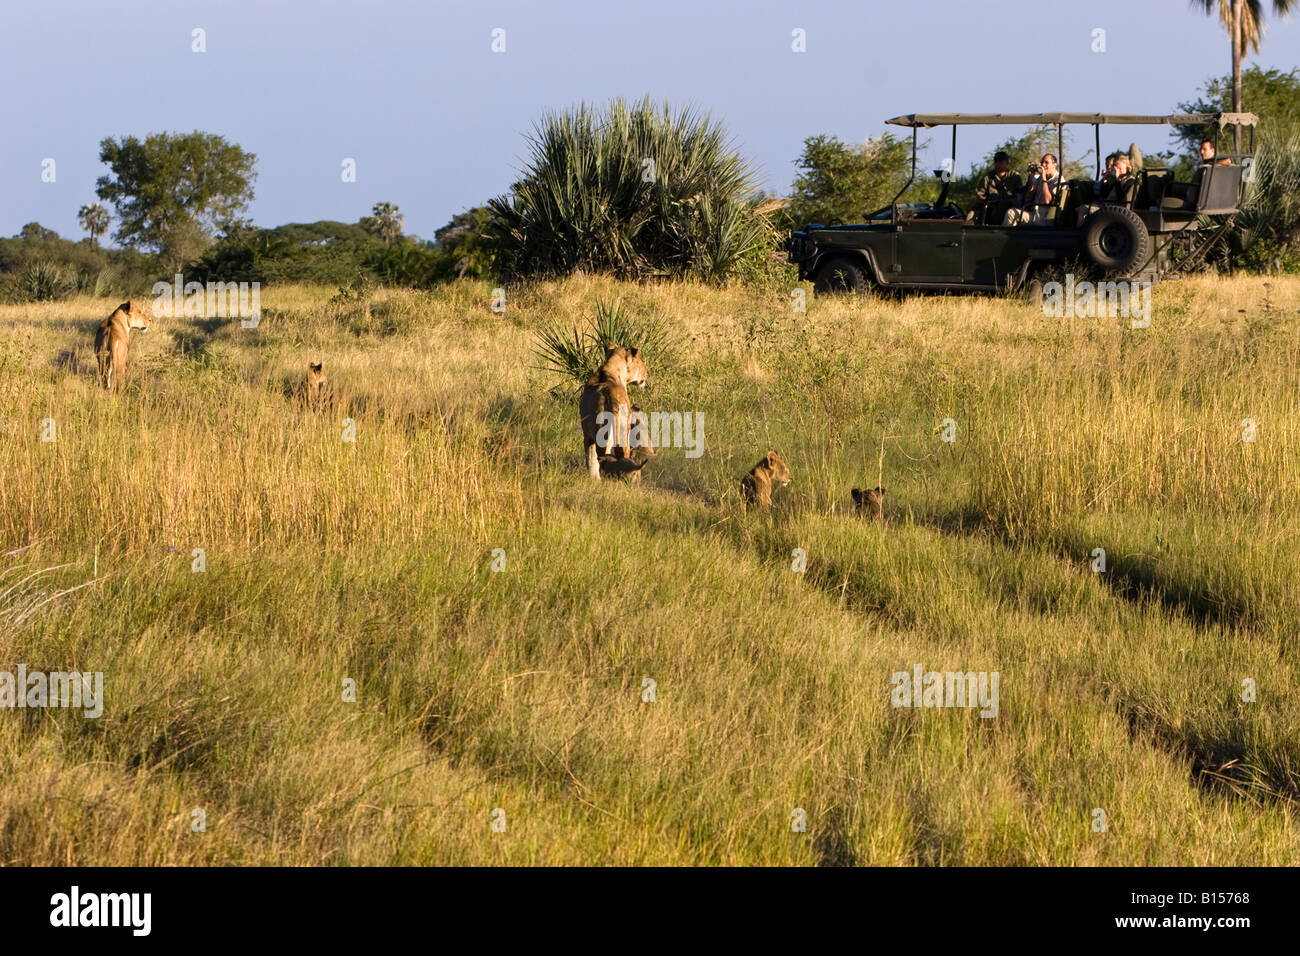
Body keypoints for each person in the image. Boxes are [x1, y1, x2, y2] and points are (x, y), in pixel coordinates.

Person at [1004, 153, 1064, 225]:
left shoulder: (1058, 181)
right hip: (1034, 214)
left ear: (1054, 165)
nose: (1043, 165)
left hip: (1044, 218)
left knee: (1011, 213)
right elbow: (1029, 196)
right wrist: (1031, 177)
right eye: (1042, 162)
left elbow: (1047, 201)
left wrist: (1044, 179)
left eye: (1046, 163)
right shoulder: (1040, 178)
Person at [968, 151, 1023, 222]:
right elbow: (980, 194)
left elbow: (1020, 194)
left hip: (1009, 208)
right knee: (972, 212)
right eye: (996, 161)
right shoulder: (988, 177)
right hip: (991, 209)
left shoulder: (1014, 176)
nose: (998, 164)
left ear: (1006, 163)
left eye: (1000, 161)